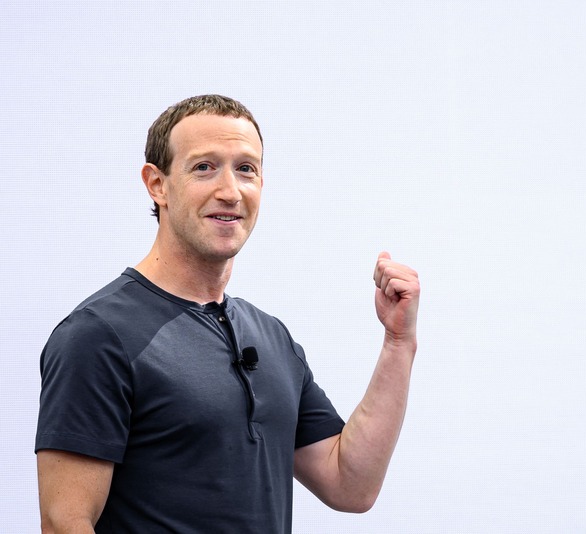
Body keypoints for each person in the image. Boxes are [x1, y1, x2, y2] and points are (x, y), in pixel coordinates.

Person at [35, 94, 420, 533]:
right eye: (204, 167)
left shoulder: (272, 338)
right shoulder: (98, 336)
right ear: (157, 184)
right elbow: (64, 523)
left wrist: (398, 343)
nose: (230, 191)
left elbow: (350, 484)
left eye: (246, 169)